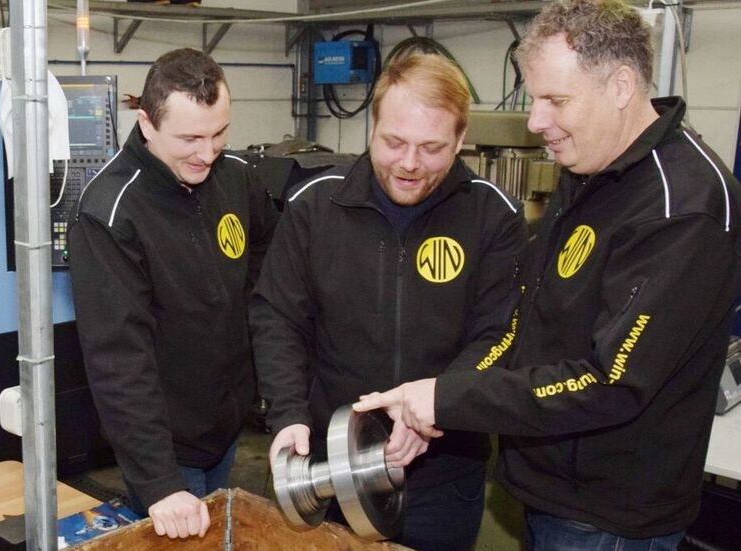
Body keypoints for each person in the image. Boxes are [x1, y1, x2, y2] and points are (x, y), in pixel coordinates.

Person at [355, 1, 741, 549]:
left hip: (608, 518)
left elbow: (610, 380)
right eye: (534, 98)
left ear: (621, 86)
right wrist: (450, 391)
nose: (536, 121)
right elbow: (529, 315)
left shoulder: (681, 207)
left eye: (555, 100)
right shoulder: (591, 167)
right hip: (550, 489)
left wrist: (446, 401)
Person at [250, 53, 528, 551]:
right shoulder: (316, 206)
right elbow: (278, 316)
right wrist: (288, 412)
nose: (408, 163)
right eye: (394, 142)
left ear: (461, 140)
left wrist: (438, 406)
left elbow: (499, 332)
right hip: (329, 466)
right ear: (371, 126)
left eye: (431, 148)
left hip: (444, 476)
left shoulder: (492, 216)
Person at [68, 48, 277, 539]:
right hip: (167, 447)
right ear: (146, 123)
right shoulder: (110, 212)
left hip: (226, 427)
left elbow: (271, 255)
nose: (207, 153)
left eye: (219, 133)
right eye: (190, 138)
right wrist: (160, 483)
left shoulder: (236, 177)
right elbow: (119, 360)